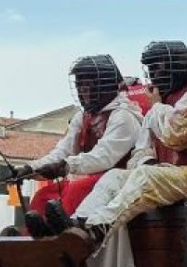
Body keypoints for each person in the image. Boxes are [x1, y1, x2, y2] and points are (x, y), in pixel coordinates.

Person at [43, 41, 187, 267]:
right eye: (152, 69)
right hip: (172, 175)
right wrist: (144, 165)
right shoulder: (162, 102)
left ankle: (96, 230)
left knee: (146, 175)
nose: (155, 75)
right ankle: (76, 227)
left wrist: (156, 107)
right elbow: (141, 153)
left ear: (180, 66)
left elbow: (176, 133)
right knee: (114, 176)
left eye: (160, 67)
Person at [17, 55, 145, 237]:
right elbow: (63, 151)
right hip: (91, 179)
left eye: (89, 85)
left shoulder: (124, 116)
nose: (84, 92)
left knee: (76, 189)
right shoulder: (82, 117)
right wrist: (31, 168)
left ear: (106, 85)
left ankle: (67, 240)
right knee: (43, 196)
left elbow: (104, 157)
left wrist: (66, 166)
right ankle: (32, 241)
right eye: (81, 86)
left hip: (118, 182)